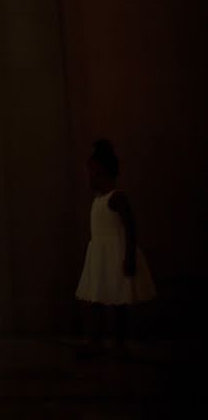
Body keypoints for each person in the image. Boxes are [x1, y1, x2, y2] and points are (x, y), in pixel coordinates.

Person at [76, 139, 155, 360]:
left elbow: (131, 228)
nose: (89, 177)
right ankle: (96, 340)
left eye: (93, 173)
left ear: (103, 172)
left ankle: (118, 343)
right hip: (99, 256)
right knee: (96, 299)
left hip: (114, 255)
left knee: (118, 300)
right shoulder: (98, 200)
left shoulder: (116, 198)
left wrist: (129, 256)